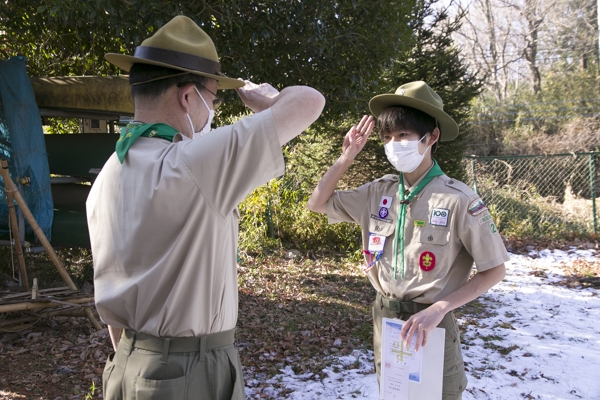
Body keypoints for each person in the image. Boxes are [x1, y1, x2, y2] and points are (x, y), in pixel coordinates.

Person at [86, 15, 325, 400]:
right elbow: (310, 101)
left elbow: (111, 295)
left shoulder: (110, 172)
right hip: (191, 371)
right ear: (187, 96)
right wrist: (268, 101)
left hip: (127, 364)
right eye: (212, 97)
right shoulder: (193, 163)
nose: (212, 109)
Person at [307, 81, 508, 399]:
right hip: (385, 321)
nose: (393, 144)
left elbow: (494, 269)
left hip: (432, 324)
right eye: (387, 137)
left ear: (432, 137)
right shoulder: (378, 192)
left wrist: (439, 309)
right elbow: (317, 203)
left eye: (403, 135)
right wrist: (346, 157)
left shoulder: (457, 199)